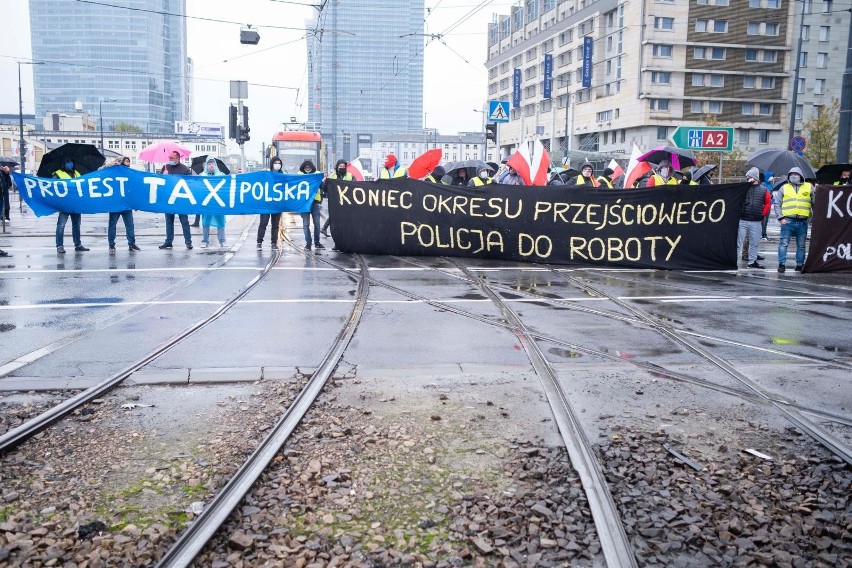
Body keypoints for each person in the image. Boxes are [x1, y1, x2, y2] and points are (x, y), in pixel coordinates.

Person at [774, 166, 814, 273]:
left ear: (800, 175)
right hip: (787, 221)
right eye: (791, 174)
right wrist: (780, 218)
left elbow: (815, 204)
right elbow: (777, 203)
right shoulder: (784, 187)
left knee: (801, 245)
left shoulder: (809, 187)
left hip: (802, 222)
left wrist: (814, 219)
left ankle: (800, 265)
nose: (793, 176)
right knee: (783, 243)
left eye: (795, 174)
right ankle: (781, 264)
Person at [158, 150, 194, 250]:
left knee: (184, 221)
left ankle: (188, 242)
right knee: (169, 222)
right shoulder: (165, 168)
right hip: (169, 199)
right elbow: (160, 183)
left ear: (178, 158)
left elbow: (190, 183)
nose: (170, 160)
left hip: (181, 200)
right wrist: (163, 176)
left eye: (172, 158)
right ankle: (168, 241)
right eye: (169, 158)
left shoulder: (185, 169)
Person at [53, 158, 88, 254]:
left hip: (75, 204)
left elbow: (83, 184)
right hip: (64, 204)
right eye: (67, 162)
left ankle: (78, 245)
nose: (70, 164)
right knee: (61, 225)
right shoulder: (57, 174)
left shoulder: (76, 173)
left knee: (76, 225)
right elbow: (52, 186)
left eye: (71, 162)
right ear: (63, 164)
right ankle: (59, 246)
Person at [738, 167, 772, 269]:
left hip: (756, 220)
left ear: (755, 177)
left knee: (755, 242)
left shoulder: (764, 190)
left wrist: (763, 214)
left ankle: (752, 261)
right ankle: (733, 260)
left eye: (749, 177)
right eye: (747, 177)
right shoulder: (743, 188)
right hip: (743, 219)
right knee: (738, 243)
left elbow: (768, 203)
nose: (747, 178)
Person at [108, 157, 140, 252]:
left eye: (129, 161)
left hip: (126, 204)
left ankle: (131, 244)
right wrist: (112, 165)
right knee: (112, 225)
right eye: (126, 161)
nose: (128, 162)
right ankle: (111, 244)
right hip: (115, 204)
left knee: (130, 225)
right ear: (122, 163)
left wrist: (135, 203)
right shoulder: (114, 171)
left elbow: (134, 190)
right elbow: (102, 171)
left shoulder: (130, 174)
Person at [320, 159, 352, 238]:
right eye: (340, 166)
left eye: (343, 166)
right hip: (335, 201)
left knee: (342, 220)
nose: (342, 168)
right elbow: (325, 188)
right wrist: (324, 183)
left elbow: (355, 186)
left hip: (346, 201)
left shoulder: (350, 176)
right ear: (337, 167)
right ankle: (337, 240)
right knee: (336, 219)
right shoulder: (332, 176)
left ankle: (325, 228)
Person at [199, 157, 227, 248]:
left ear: (215, 165)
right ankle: (205, 240)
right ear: (206, 165)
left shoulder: (221, 175)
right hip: (206, 202)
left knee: (220, 221)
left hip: (218, 202)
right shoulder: (201, 175)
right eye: (209, 164)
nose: (211, 165)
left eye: (213, 163)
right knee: (205, 221)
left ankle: (222, 240)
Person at [258, 157, 284, 249]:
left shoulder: (283, 175)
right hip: (266, 203)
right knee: (263, 223)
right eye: (276, 163)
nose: (277, 165)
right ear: (272, 164)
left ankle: (274, 243)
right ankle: (259, 242)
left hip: (277, 204)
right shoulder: (266, 174)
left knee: (275, 224)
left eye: (279, 163)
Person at [299, 160, 324, 250]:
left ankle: (317, 242)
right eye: (306, 167)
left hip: (315, 202)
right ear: (303, 167)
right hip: (304, 204)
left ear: (312, 167)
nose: (307, 168)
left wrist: (322, 182)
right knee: (306, 224)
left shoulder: (317, 174)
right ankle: (308, 243)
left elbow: (322, 186)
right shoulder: (299, 175)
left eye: (309, 167)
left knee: (317, 224)